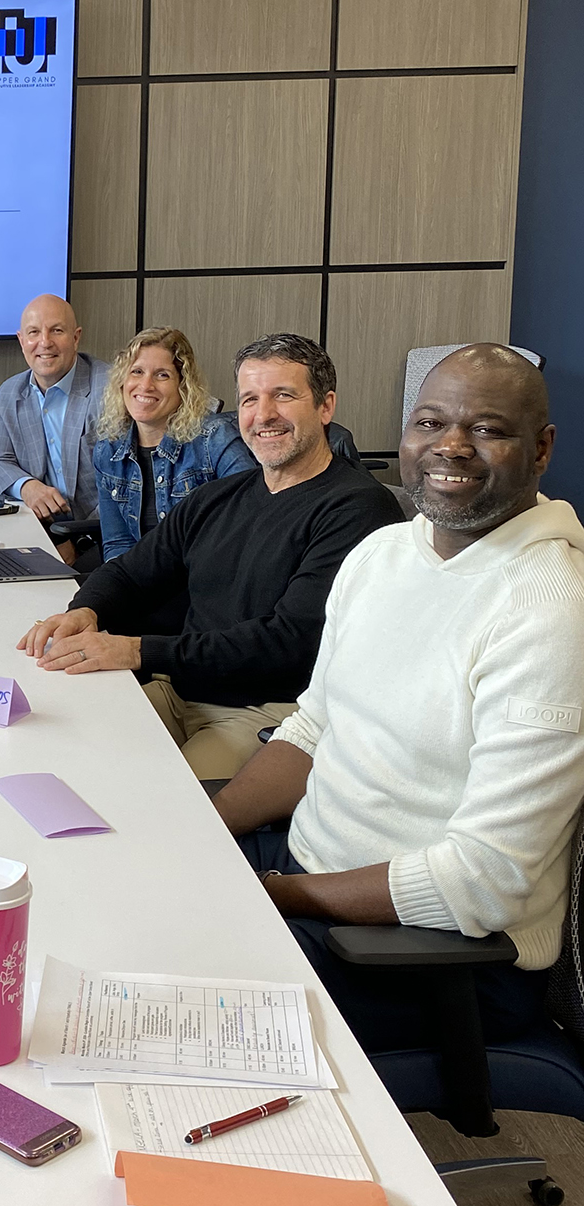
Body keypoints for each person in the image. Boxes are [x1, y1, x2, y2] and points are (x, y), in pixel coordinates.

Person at [215, 344, 584, 1053]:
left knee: (163, 1003)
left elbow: (487, 878)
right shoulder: (382, 555)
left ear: (540, 450)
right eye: (430, 422)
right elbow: (315, 726)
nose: (450, 445)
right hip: (307, 881)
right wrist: (206, 825)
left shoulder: (547, 611)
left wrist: (281, 897)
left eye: (487, 429)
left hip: (432, 957)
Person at [18, 332, 404, 780]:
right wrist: (84, 610)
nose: (264, 415)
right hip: (181, 688)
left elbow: (287, 644)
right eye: (249, 399)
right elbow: (130, 571)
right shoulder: (220, 497)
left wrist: (137, 650)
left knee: (153, 803)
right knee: (55, 754)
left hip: (265, 710)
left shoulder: (358, 508)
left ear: (325, 406)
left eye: (283, 396)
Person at [92, 327, 255, 562]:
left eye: (162, 375)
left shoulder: (214, 440)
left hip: (202, 582)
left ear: (183, 386)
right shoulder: (108, 450)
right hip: (140, 585)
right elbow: (118, 543)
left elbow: (254, 516)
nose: (145, 385)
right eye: (137, 371)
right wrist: (121, 592)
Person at [0, 294, 107, 562]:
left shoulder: (108, 389)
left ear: (76, 337)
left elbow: (126, 485)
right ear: (21, 340)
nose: (45, 343)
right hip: (44, 529)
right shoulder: (10, 393)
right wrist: (27, 487)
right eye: (34, 333)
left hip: (105, 534)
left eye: (57, 331)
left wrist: (78, 540)